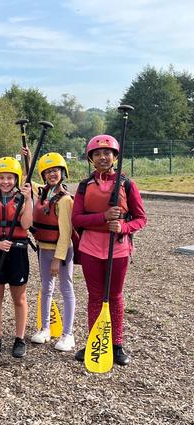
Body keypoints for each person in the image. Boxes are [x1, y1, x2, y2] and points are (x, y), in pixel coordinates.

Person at [72, 135, 147, 366]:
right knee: (95, 297)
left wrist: (124, 227)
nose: (102, 157)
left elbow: (141, 218)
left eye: (107, 153)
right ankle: (95, 340)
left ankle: (116, 344)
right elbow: (77, 219)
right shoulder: (84, 186)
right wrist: (103, 217)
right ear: (91, 159)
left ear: (115, 156)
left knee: (114, 297)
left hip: (118, 248)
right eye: (97, 154)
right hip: (91, 248)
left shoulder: (127, 184)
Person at [0, 157, 33, 358]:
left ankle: (19, 338)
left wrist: (28, 200)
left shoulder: (22, 199)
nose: (6, 181)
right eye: (1, 178)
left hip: (17, 253)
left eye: (10, 177)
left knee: (19, 298)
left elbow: (26, 225)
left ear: (16, 179)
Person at [28, 152, 77, 352]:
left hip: (61, 252)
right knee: (46, 288)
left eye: (55, 170)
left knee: (66, 289)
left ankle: (68, 334)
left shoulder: (65, 200)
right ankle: (45, 328)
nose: (52, 174)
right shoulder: (43, 192)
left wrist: (58, 259)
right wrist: (29, 158)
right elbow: (26, 180)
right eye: (47, 172)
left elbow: (66, 234)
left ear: (63, 172)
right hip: (43, 249)